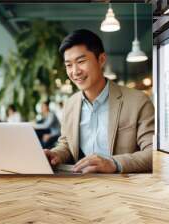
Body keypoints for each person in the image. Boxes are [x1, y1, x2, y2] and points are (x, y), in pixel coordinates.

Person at [44, 29, 154, 174]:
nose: (75, 71)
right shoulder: (70, 104)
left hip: (125, 188)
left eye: (81, 61)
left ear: (101, 59)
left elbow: (154, 152)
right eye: (69, 65)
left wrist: (114, 163)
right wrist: (56, 154)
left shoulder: (138, 101)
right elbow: (66, 144)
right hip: (82, 187)